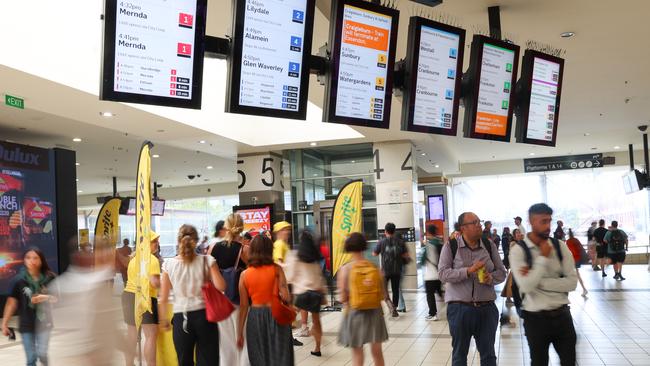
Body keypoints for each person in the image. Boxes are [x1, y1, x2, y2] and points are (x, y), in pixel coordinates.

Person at [509, 203, 577, 366]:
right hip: (535, 319)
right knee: (539, 362)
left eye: (549, 221)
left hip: (563, 317)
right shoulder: (519, 250)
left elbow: (572, 283)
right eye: (543, 221)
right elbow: (525, 287)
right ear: (531, 221)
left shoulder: (560, 246)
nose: (547, 226)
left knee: (569, 362)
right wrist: (543, 258)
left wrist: (537, 281)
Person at [438, 212, 506, 366]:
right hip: (460, 309)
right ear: (463, 228)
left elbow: (502, 272)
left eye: (479, 222)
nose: (478, 225)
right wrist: (467, 271)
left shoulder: (489, 245)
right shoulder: (451, 246)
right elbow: (442, 274)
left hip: (487, 309)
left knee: (489, 355)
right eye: (474, 223)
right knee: (459, 355)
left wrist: (491, 278)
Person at [158, 224, 226, 366]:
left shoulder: (169, 264)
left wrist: (163, 319)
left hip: (181, 318)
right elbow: (221, 286)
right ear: (196, 240)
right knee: (209, 359)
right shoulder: (207, 260)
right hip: (205, 316)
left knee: (184, 361)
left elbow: (163, 297)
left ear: (179, 241)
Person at [237, 235, 295, 366]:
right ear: (270, 250)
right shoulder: (277, 269)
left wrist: (239, 332)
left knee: (258, 356)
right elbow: (286, 296)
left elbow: (244, 306)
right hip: (276, 314)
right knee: (280, 355)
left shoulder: (244, 275)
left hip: (255, 318)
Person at [337, 232, 388, 366]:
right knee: (377, 352)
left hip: (354, 313)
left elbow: (342, 297)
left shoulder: (345, 269)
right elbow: (383, 294)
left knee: (358, 353)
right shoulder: (374, 268)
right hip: (375, 313)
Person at [2, 248, 56, 366]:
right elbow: (11, 303)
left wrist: (45, 297)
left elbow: (57, 299)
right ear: (24, 260)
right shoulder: (18, 280)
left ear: (41, 260)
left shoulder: (50, 278)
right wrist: (4, 323)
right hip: (26, 324)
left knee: (42, 353)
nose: (32, 260)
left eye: (35, 257)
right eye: (28, 257)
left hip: (44, 323)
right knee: (31, 358)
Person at [210, 213, 249, 366]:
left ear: (226, 227)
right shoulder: (244, 250)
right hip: (241, 298)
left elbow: (208, 271)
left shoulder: (214, 248)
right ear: (241, 228)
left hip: (221, 298)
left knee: (225, 341)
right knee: (243, 337)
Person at [122, 231, 161, 366]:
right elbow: (155, 283)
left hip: (128, 295)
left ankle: (129, 364)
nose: (157, 244)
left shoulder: (134, 259)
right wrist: (167, 284)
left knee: (131, 335)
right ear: (145, 243)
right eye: (154, 241)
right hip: (145, 297)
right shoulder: (152, 260)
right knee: (150, 335)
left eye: (157, 241)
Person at [285, 230, 327, 357]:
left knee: (288, 317)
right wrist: (323, 293)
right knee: (316, 322)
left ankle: (284, 341)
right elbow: (320, 277)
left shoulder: (295, 256)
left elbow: (290, 276)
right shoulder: (315, 257)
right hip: (315, 293)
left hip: (301, 294)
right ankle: (317, 348)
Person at [373, 222, 410, 317]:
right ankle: (395, 307)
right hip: (397, 270)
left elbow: (374, 253)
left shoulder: (381, 242)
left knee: (384, 291)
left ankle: (391, 307)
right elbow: (406, 256)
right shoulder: (400, 242)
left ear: (385, 231)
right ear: (394, 231)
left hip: (385, 271)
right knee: (395, 290)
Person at [422, 224, 444, 321]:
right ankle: (446, 303)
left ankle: (432, 313)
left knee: (429, 294)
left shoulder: (429, 244)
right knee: (439, 291)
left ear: (428, 232)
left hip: (430, 275)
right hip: (439, 274)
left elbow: (422, 260)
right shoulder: (441, 243)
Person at [566, 229, 588, 296]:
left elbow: (570, 251)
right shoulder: (576, 240)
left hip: (573, 259)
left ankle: (584, 289)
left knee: (568, 274)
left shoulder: (568, 241)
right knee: (577, 274)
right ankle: (584, 289)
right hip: (578, 259)